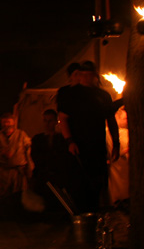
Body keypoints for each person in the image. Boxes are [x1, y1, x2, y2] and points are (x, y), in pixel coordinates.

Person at [58, 61, 119, 212]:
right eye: (83, 74)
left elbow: (111, 120)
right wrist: (70, 141)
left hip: (97, 147)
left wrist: (116, 143)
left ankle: (95, 215)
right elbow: (63, 118)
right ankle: (81, 216)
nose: (85, 78)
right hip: (78, 147)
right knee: (79, 185)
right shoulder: (70, 94)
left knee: (97, 184)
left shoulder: (103, 95)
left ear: (94, 76)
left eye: (88, 75)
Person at [30, 109, 77, 211]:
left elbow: (64, 158)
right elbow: (36, 157)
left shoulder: (62, 139)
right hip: (42, 178)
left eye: (50, 121)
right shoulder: (37, 139)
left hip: (59, 178)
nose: (47, 124)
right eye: (45, 120)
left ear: (56, 122)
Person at [0, 112, 32, 197]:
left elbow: (29, 151)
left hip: (19, 173)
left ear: (13, 123)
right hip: (3, 173)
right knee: (4, 197)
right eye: (4, 122)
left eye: (8, 122)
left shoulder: (21, 135)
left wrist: (30, 169)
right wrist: (1, 152)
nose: (6, 125)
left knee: (19, 196)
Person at [106, 106, 129, 206]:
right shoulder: (108, 134)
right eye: (125, 118)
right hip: (116, 169)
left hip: (126, 169)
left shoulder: (128, 133)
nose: (127, 121)